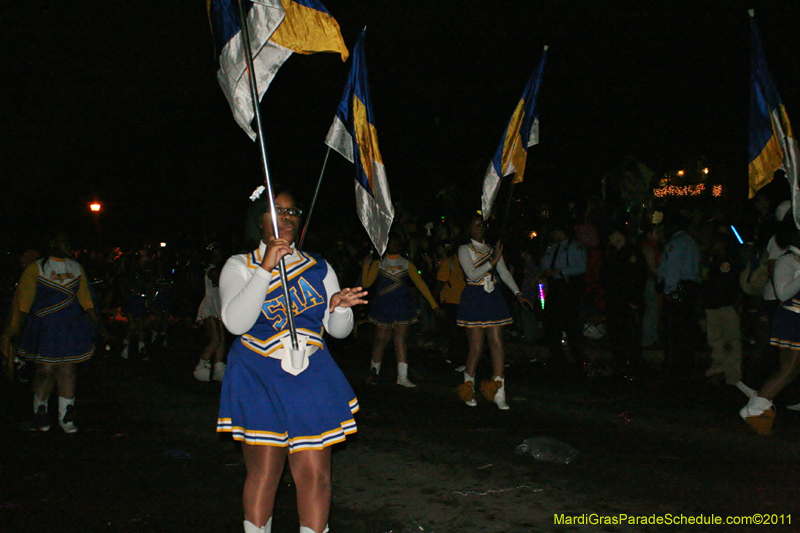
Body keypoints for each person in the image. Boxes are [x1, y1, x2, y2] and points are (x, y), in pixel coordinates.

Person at [217, 190, 366, 533]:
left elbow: (338, 332)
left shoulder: (319, 266)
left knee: (314, 474)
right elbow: (236, 323)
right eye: (277, 210)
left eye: (293, 211)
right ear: (259, 221)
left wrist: (340, 309)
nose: (287, 217)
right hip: (258, 373)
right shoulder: (240, 265)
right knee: (265, 472)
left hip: (309, 374)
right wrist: (266, 267)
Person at [5, 231, 98, 433]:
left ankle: (66, 418)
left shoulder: (76, 267)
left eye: (68, 241)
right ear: (53, 244)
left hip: (71, 327)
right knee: (46, 370)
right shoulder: (36, 268)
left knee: (68, 370)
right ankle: (40, 413)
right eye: (63, 241)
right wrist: (17, 331)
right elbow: (24, 303)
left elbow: (85, 298)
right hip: (46, 327)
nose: (67, 245)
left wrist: (98, 324)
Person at [456, 215, 533, 410]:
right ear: (468, 229)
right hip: (474, 298)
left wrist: (518, 294)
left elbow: (504, 273)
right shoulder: (464, 249)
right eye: (474, 225)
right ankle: (468, 390)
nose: (478, 227)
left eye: (481, 224)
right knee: (476, 348)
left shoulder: (492, 249)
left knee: (498, 345)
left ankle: (499, 392)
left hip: (492, 298)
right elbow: (471, 274)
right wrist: (493, 261)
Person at [739, 218, 800, 436]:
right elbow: (782, 293)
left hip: (795, 318)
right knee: (788, 370)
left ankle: (758, 408)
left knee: (791, 370)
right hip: (792, 319)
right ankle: (755, 408)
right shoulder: (787, 260)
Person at [361, 234, 444, 388]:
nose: (394, 245)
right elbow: (366, 283)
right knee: (381, 339)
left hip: (402, 305)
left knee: (401, 339)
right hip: (384, 305)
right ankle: (374, 373)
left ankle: (402, 376)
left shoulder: (406, 264)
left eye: (397, 242)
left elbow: (421, 285)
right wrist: (366, 265)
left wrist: (434, 305)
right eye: (392, 242)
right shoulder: (379, 263)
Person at [540, 219, 588, 373]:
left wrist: (561, 271)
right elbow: (545, 264)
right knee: (552, 322)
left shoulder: (574, 247)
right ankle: (556, 355)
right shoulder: (552, 248)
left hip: (567, 287)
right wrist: (544, 273)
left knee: (570, 322)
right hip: (553, 287)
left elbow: (581, 267)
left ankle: (577, 356)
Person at [657, 211, 702, 380]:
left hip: (678, 291)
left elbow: (673, 270)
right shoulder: (691, 241)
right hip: (690, 290)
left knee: (672, 332)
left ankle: (672, 369)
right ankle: (686, 366)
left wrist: (668, 291)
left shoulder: (675, 243)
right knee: (686, 331)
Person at [600, 224, 647, 378]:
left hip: (626, 301)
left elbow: (638, 278)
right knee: (616, 334)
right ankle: (620, 365)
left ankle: (634, 366)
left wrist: (634, 299)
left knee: (629, 334)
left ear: (620, 235)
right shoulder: (613, 253)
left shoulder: (632, 252)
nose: (609, 238)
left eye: (611, 235)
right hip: (614, 300)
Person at [193, 243, 227, 382]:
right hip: (210, 305)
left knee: (222, 340)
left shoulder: (219, 269)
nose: (219, 256)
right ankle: (201, 365)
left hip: (218, 304)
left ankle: (219, 367)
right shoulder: (211, 270)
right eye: (217, 254)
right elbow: (221, 281)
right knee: (215, 339)